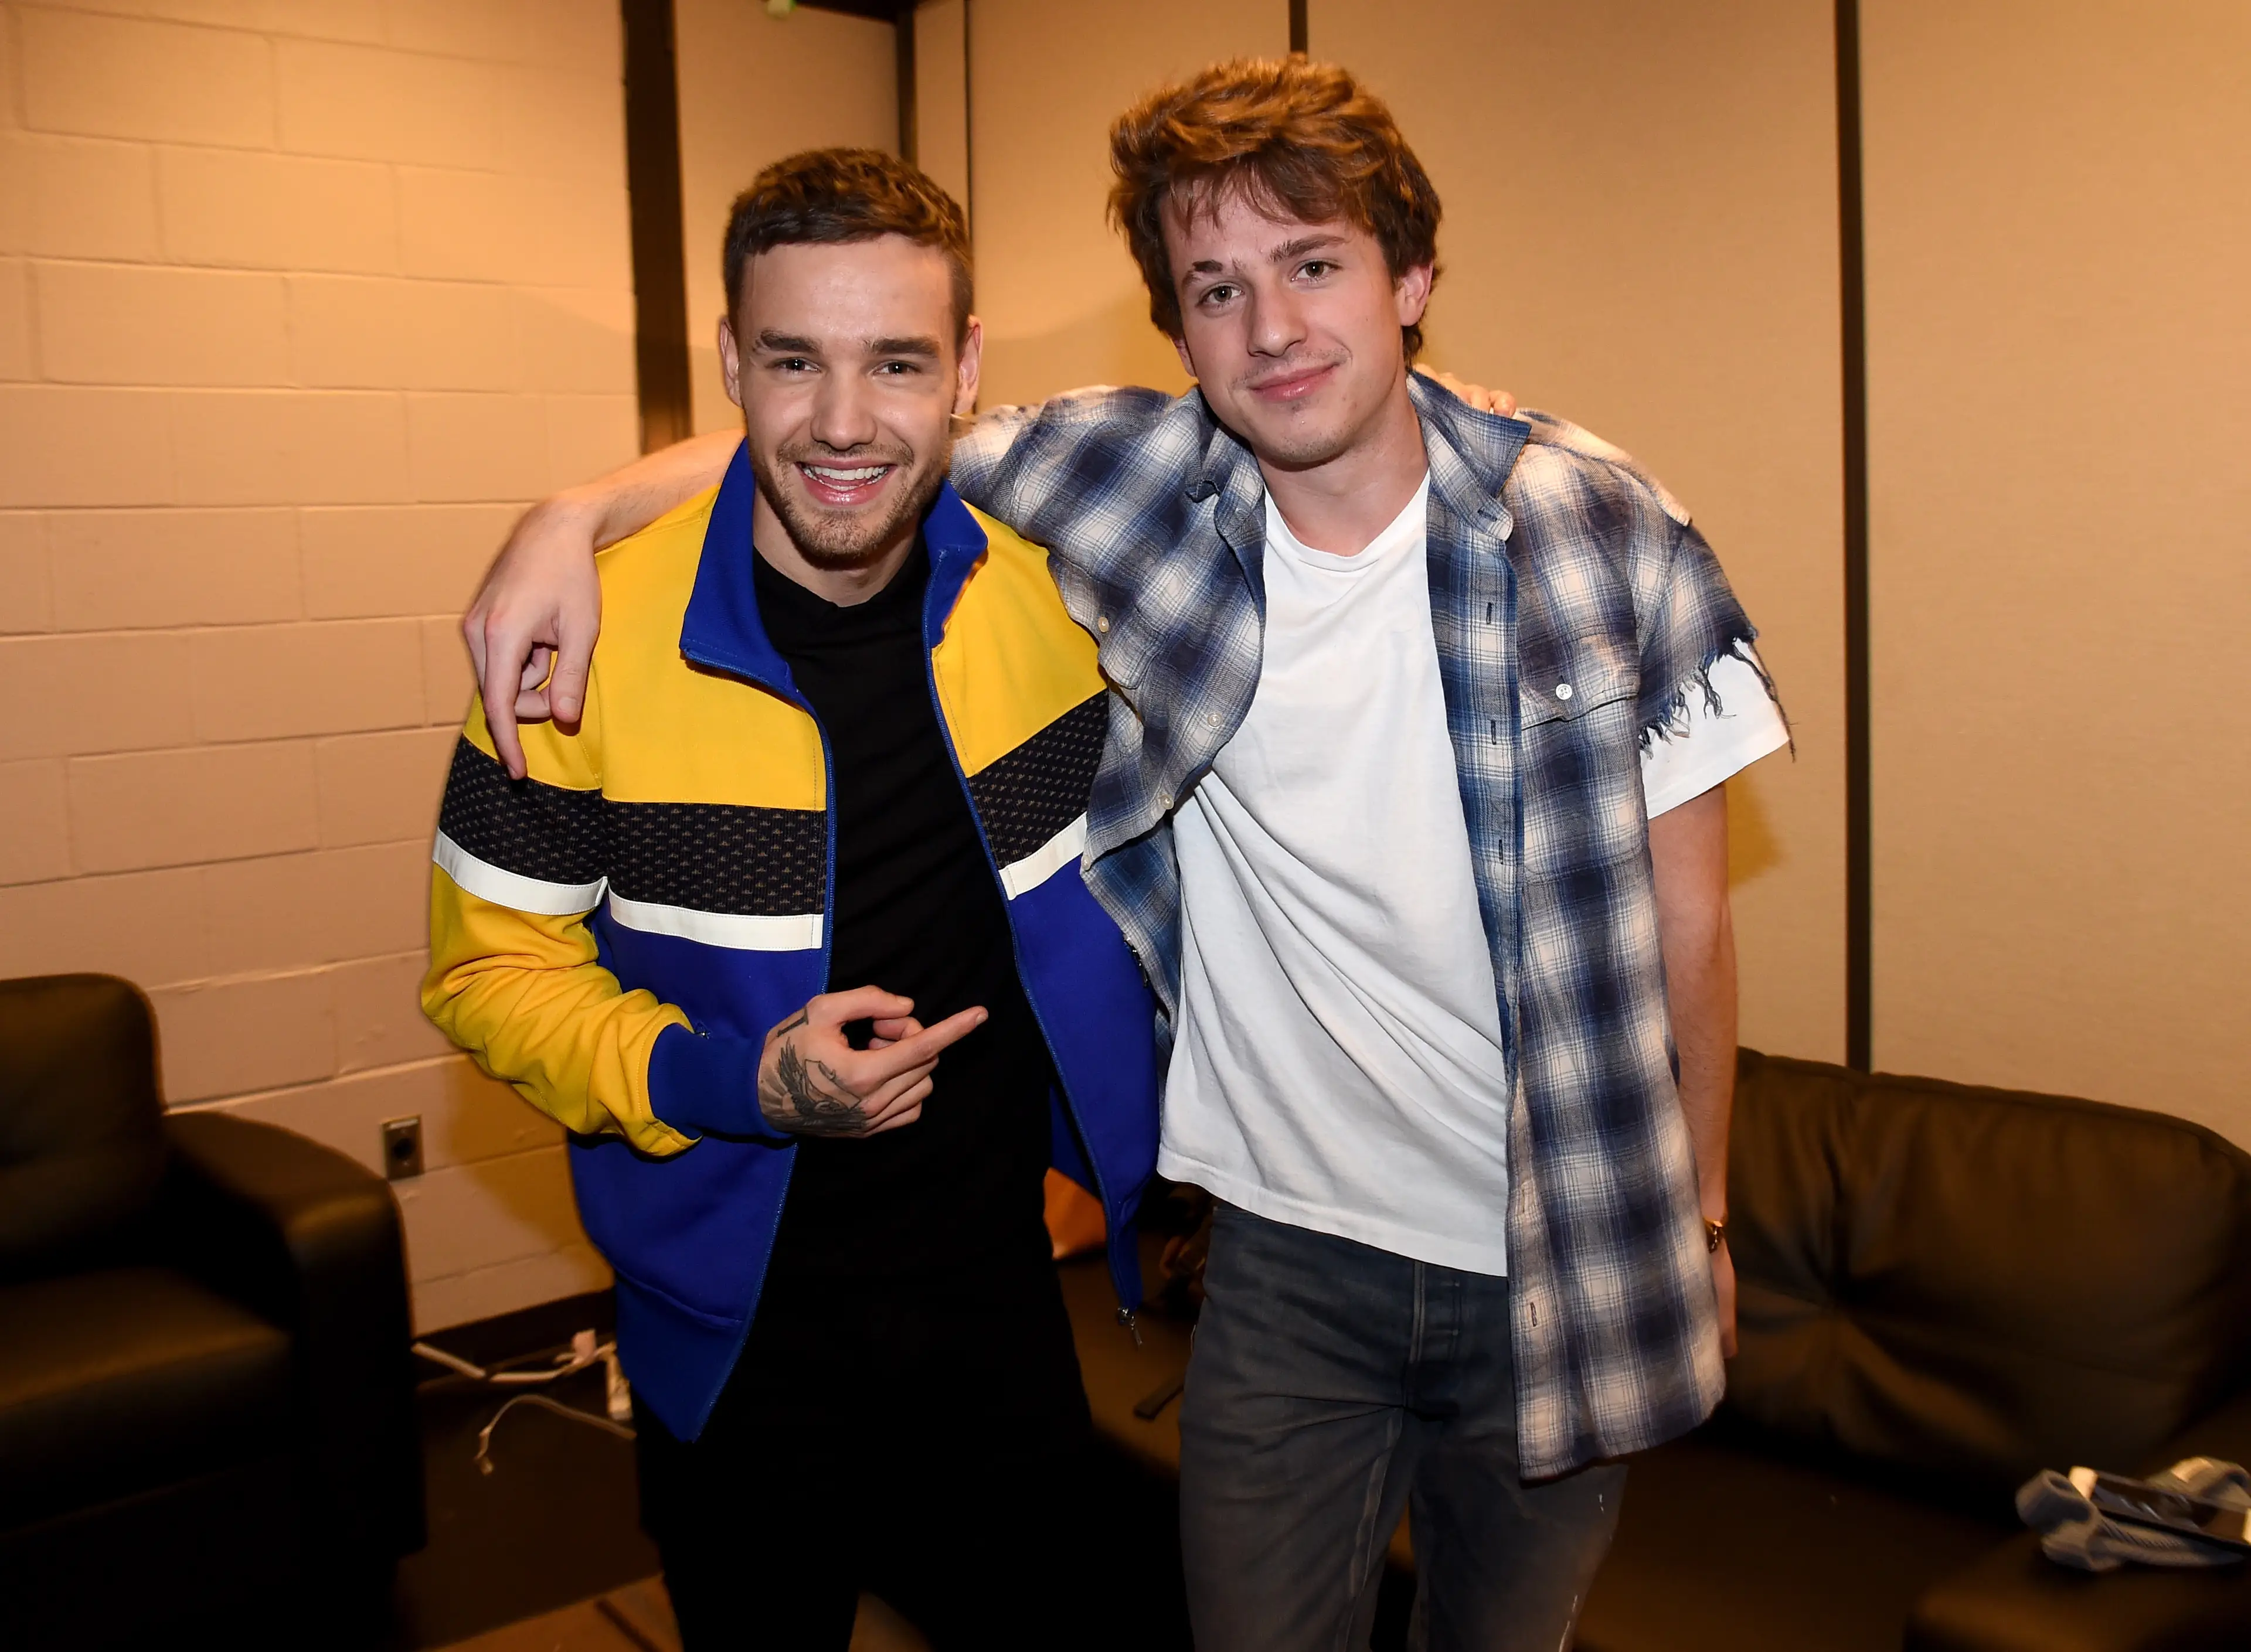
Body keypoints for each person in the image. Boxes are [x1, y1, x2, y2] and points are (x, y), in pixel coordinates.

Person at [467, 59, 1790, 1652]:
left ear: (1413, 279)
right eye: (1216, 289)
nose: (1274, 328)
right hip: (1235, 1272)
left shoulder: (1583, 530)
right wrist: (572, 513)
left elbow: (1689, 927)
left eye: (1316, 267)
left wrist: (1700, 1220)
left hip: (1534, 1254)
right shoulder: (1127, 495)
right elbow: (849, 446)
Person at [420, 149, 1164, 1649]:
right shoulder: (579, 646)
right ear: (729, 367)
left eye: (896, 362)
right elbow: (487, 973)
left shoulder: (1059, 585)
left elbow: (1331, 406)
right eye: (794, 360)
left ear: (965, 372)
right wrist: (737, 1078)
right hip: (733, 1333)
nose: (842, 421)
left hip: (1001, 1301)